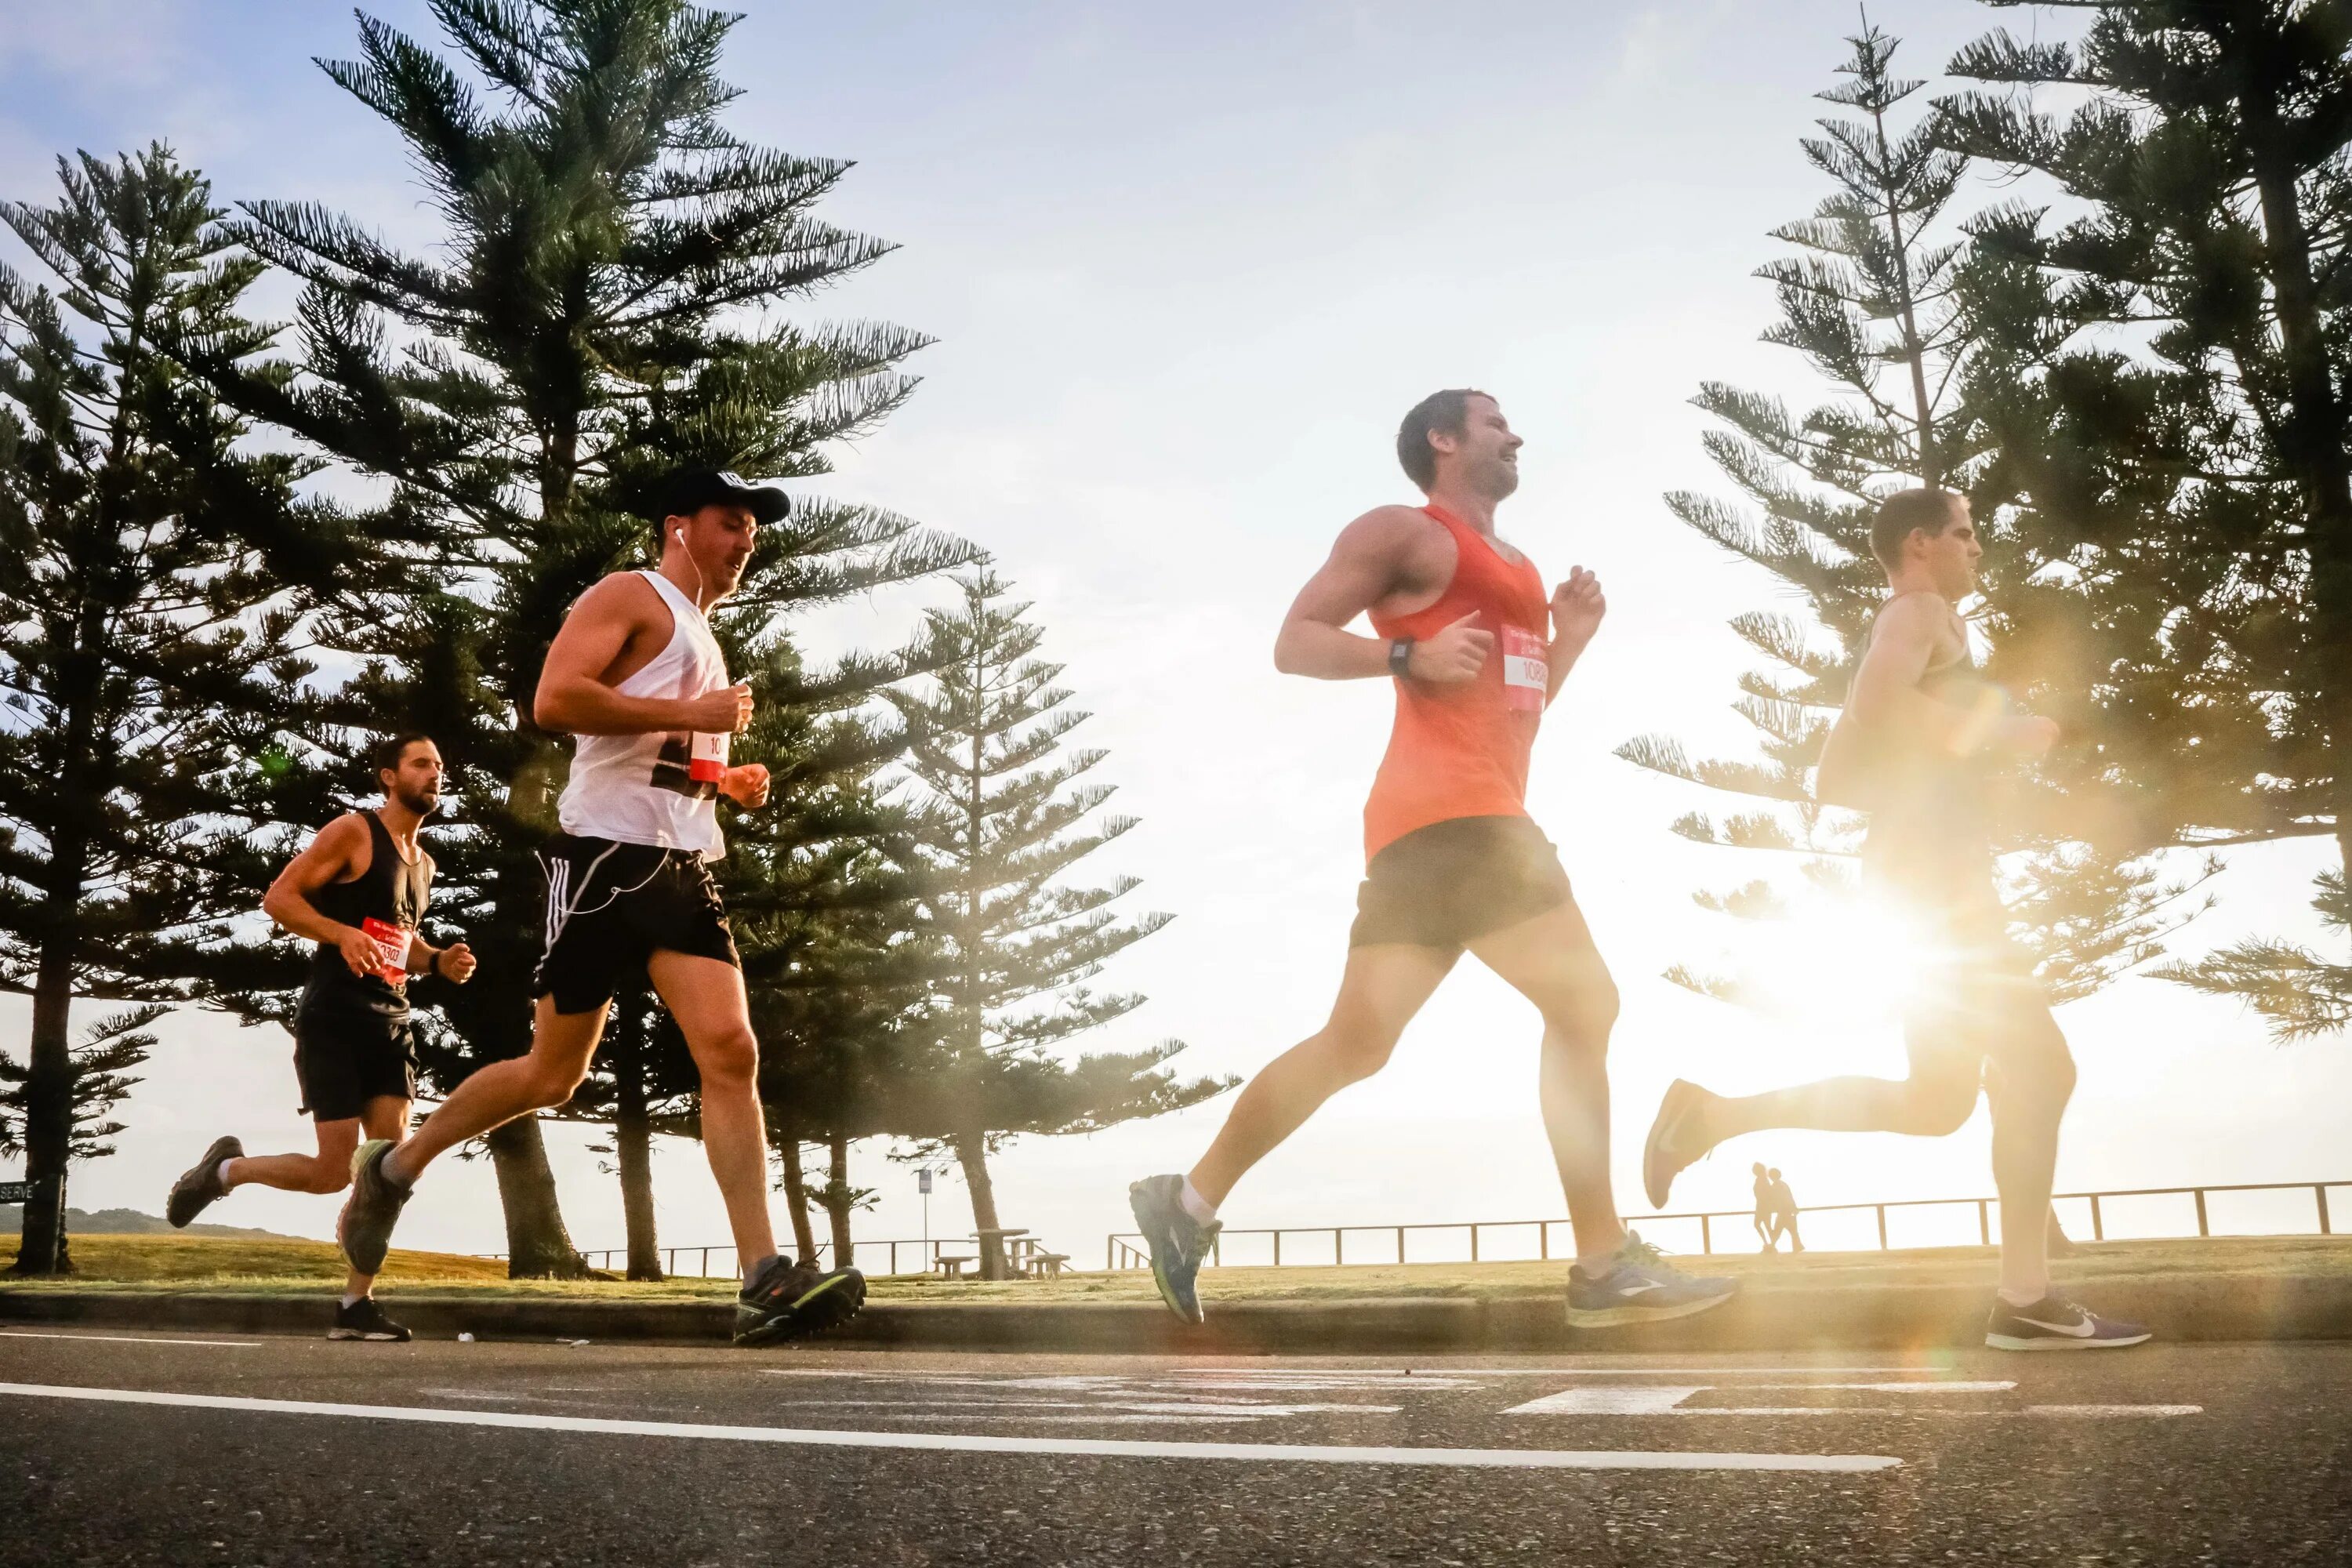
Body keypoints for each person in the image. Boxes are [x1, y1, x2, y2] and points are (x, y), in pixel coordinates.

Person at [1127, 390, 1737, 1329]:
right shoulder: (1403, 531)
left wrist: (1566, 641)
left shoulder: (1523, 570)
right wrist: (1405, 655)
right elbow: (1295, 641)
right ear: (1444, 440)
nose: (1517, 433)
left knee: (1357, 1044)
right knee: (1585, 1002)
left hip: (1444, 825)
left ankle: (1189, 1201)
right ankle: (1603, 1263)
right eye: (1495, 421)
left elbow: (1515, 717)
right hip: (1459, 820)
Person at [332, 469, 865, 1347]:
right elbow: (557, 700)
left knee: (730, 1050)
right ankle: (394, 1167)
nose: (744, 542)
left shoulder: (702, 631)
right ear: (678, 527)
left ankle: (762, 1276)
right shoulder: (631, 592)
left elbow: (651, 751)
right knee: (552, 1073)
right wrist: (692, 708)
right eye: (729, 523)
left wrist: (720, 775)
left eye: (753, 532)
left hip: (681, 866)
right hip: (604, 862)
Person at [1640, 488, 2147, 1350]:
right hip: (1938, 878)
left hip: (1919, 871)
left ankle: (1714, 1115)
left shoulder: (1904, 624)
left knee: (1939, 1100)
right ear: (1920, 544)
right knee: (2043, 1070)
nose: (1977, 547)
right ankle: (2024, 1295)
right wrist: (2003, 728)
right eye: (1964, 532)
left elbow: (1836, 776)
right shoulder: (1920, 611)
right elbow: (1878, 708)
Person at [166, 733, 474, 1343]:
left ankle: (356, 1306)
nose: (434, 774)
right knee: (336, 1173)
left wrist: (437, 960)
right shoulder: (354, 833)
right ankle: (223, 1171)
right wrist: (340, 935)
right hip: (335, 1019)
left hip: (393, 1023)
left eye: (439, 765)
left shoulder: (425, 864)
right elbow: (280, 898)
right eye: (421, 764)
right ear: (389, 776)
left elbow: (400, 939)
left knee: (386, 1174)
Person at [1768, 1167, 1803, 1254]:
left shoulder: (1776, 1185)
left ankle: (1772, 1247)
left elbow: (1775, 1198)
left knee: (1778, 1230)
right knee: (1792, 1230)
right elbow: (1790, 1196)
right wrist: (1794, 1207)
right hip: (1788, 1209)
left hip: (1783, 1210)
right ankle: (1797, 1246)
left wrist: (1772, 1207)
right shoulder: (1784, 1184)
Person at [1751, 1162, 1779, 1252]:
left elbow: (1766, 1193)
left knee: (1764, 1226)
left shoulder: (1763, 1180)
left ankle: (1770, 1245)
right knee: (1762, 1225)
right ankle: (1768, 1244)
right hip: (1761, 1206)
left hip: (1763, 1206)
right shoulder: (1761, 1179)